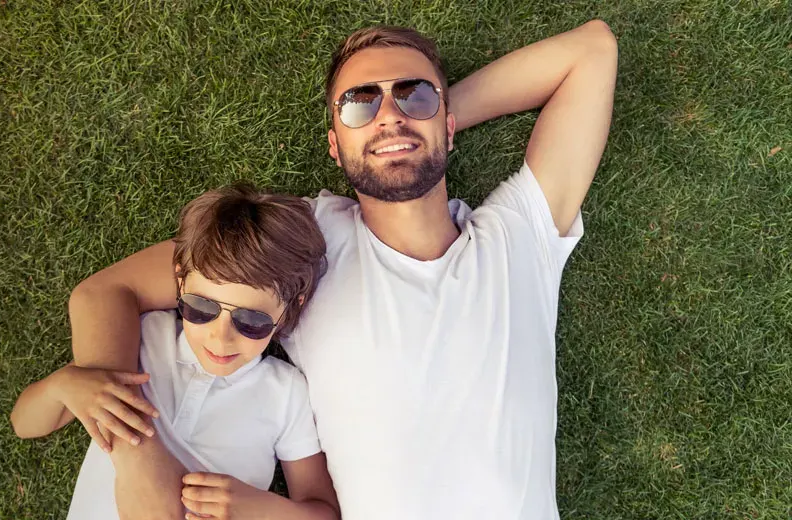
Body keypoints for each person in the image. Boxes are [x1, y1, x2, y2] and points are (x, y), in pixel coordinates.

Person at [53, 21, 618, 519]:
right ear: (332, 144)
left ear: (449, 124)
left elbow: (591, 51)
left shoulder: (519, 238)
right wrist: (135, 455)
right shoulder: (306, 243)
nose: (389, 113)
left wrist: (414, 127)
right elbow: (109, 291)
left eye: (414, 94)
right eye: (359, 104)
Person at [11, 183, 340, 520]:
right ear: (181, 283)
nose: (220, 336)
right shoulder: (142, 340)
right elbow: (24, 424)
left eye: (251, 320)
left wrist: (259, 508)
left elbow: (323, 511)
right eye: (201, 308)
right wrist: (62, 385)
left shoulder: (285, 394)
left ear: (291, 307)